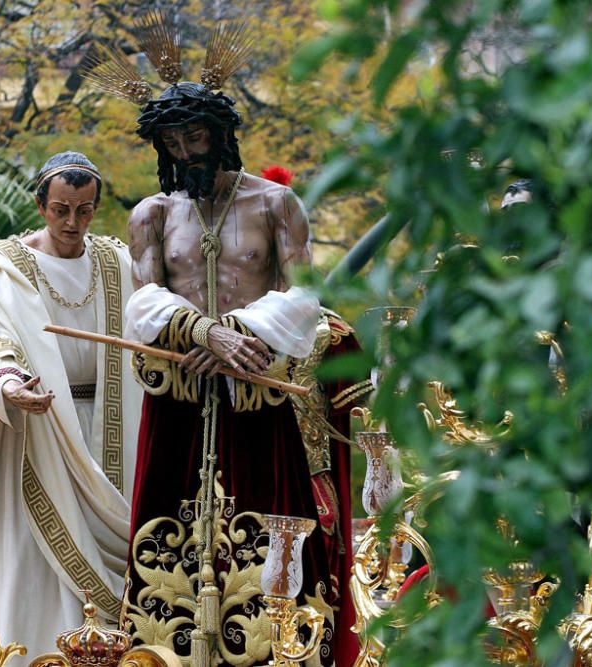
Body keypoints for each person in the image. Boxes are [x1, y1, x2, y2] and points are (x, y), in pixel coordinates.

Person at [85, 24, 362, 663]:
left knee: (269, 529)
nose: (185, 152)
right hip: (180, 386)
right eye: (172, 142)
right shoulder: (152, 213)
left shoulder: (276, 203)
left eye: (195, 137)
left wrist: (241, 333)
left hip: (257, 388)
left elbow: (302, 295)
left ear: (221, 133)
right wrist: (204, 330)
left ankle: (281, 646)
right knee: (166, 533)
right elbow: (143, 300)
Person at [0, 152, 142, 658]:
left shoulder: (118, 262)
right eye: (61, 210)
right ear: (40, 205)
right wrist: (8, 387)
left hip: (111, 430)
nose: (72, 223)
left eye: (84, 210)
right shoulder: (1, 267)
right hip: (36, 429)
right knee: (31, 565)